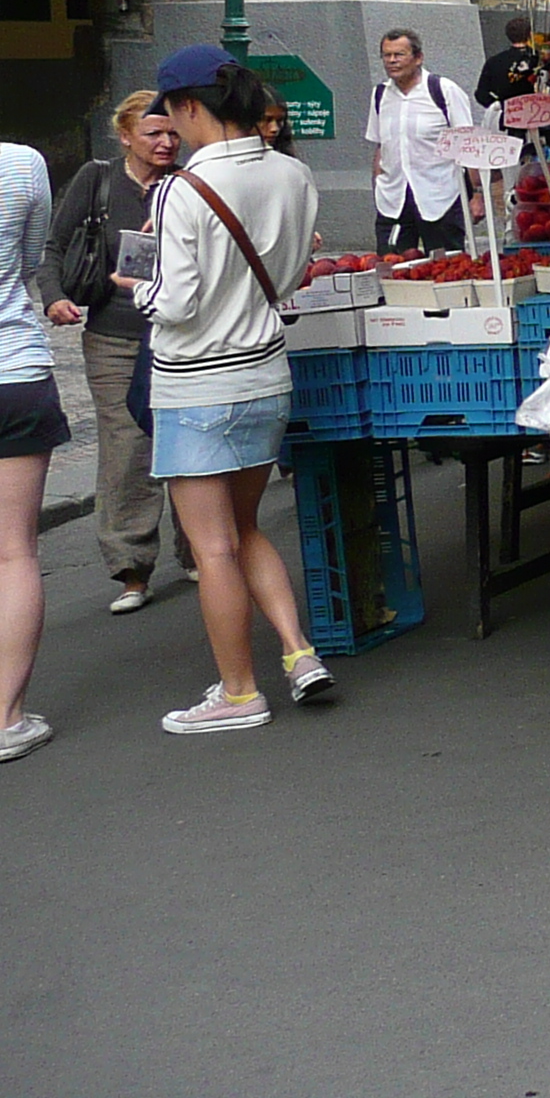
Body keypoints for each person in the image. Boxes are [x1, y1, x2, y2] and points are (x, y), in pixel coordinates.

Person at [124, 46, 332, 734]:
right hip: (266, 371)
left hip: (196, 384)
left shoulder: (180, 189)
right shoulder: (294, 174)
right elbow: (294, 272)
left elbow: (175, 302)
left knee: (212, 546)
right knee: (244, 529)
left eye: (170, 115)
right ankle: (298, 652)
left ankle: (239, 692)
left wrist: (138, 287)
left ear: (187, 107)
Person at [44, 93, 182, 610]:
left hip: (176, 332)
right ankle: (132, 567)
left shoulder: (185, 183)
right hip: (115, 335)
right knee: (126, 449)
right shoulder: (97, 179)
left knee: (185, 441)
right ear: (126, 137)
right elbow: (55, 245)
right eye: (153, 134)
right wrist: (55, 296)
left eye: (172, 134)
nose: (166, 142)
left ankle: (198, 551)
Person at [1, 135, 68, 763]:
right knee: (13, 552)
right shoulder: (21, 163)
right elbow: (26, 260)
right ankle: (5, 717)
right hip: (13, 372)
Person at [367, 27, 468, 252]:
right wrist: (377, 185)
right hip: (393, 199)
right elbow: (380, 145)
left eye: (399, 55)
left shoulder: (443, 90)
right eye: (387, 55)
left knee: (446, 271)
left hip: (439, 196)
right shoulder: (380, 95)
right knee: (392, 269)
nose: (392, 61)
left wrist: (476, 196)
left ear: (418, 58)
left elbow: (467, 145)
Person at [473, 16, 543, 107]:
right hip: (536, 112)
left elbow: (481, 94)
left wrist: (499, 105)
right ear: (529, 35)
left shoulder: (494, 62)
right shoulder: (539, 58)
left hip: (507, 115)